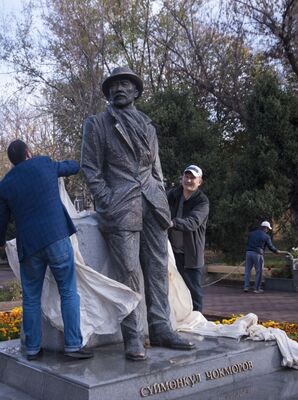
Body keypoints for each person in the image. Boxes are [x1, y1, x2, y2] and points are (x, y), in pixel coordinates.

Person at [81, 66, 195, 361]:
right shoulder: (97, 124)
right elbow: (91, 169)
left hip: (153, 205)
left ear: (135, 91)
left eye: (125, 84)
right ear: (108, 92)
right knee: (128, 272)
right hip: (121, 206)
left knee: (158, 269)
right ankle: (132, 336)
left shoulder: (147, 124)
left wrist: (162, 202)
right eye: (114, 84)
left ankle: (161, 328)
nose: (119, 88)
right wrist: (108, 201)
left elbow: (156, 169)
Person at [0, 139, 93, 361]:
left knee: (31, 298)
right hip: (56, 238)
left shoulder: (6, 185)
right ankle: (73, 345)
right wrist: (78, 163)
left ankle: (32, 349)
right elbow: (70, 167)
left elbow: (0, 219)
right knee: (68, 291)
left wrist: (0, 241)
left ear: (13, 161)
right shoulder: (44, 164)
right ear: (28, 153)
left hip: (29, 247)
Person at [167, 164, 209, 312]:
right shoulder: (172, 195)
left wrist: (172, 223)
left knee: (194, 292)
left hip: (191, 255)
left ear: (199, 182)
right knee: (173, 290)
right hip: (172, 253)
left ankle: (198, 319)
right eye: (186, 176)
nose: (189, 180)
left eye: (193, 178)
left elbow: (193, 222)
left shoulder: (202, 202)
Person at [244, 221, 284, 293]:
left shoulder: (251, 233)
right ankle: (256, 289)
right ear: (265, 228)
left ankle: (246, 287)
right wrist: (276, 251)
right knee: (259, 271)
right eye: (268, 229)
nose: (267, 230)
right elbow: (270, 246)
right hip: (257, 254)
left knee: (247, 271)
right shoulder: (266, 236)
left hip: (248, 253)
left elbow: (247, 242)